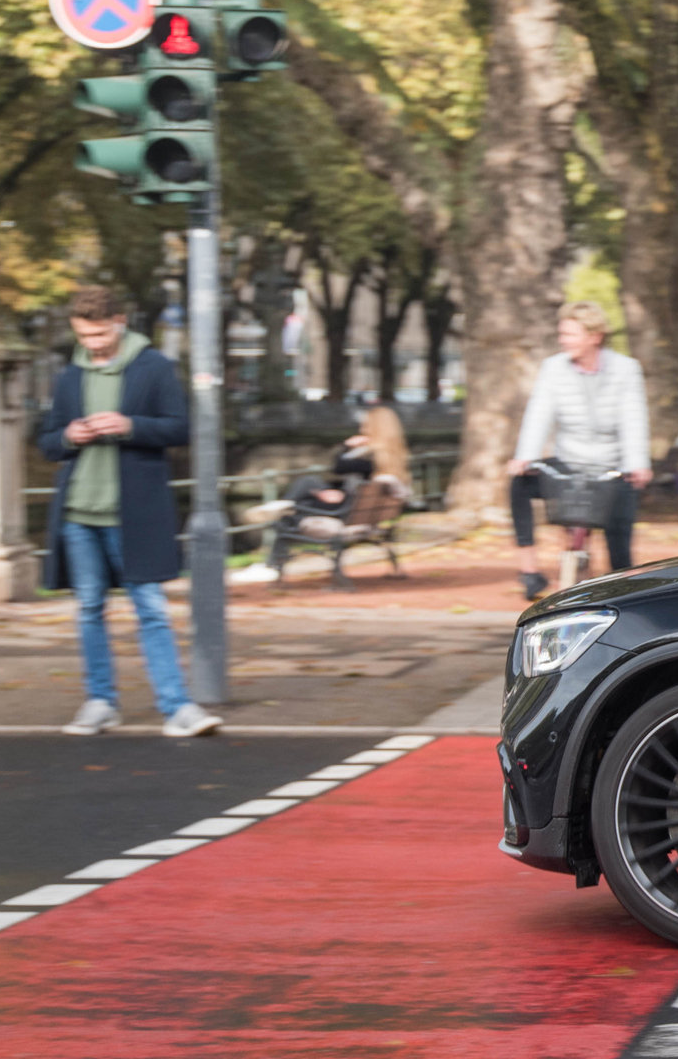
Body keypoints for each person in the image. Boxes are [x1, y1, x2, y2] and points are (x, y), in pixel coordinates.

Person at [42, 286, 218, 737]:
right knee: (89, 609)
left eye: (100, 333)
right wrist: (69, 436)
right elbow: (45, 441)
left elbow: (179, 428)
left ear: (120, 321)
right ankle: (100, 702)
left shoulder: (153, 367)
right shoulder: (70, 376)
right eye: (84, 335)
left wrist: (130, 426)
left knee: (151, 610)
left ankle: (177, 707)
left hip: (132, 514)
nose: (93, 343)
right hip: (79, 513)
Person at [508, 302, 650, 599]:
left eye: (570, 334)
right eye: (562, 334)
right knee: (519, 482)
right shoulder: (553, 368)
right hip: (569, 462)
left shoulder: (626, 369)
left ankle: (622, 590)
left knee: (620, 543)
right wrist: (526, 456)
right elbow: (539, 413)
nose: (563, 340)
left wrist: (637, 463)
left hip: (611, 464)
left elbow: (633, 417)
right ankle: (530, 571)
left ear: (594, 337)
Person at [249, 405, 412, 579]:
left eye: (366, 426)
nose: (362, 429)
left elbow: (339, 466)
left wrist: (346, 446)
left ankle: (273, 562)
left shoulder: (370, 457)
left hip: (345, 514)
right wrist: (336, 494)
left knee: (289, 514)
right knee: (309, 485)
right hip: (362, 512)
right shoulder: (395, 458)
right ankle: (283, 508)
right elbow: (359, 486)